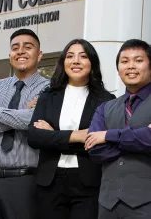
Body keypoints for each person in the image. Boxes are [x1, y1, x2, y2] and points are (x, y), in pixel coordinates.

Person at [27, 39, 115, 219]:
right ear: (63, 63)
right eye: (70, 56)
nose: (76, 61)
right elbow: (35, 137)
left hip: (88, 182)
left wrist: (53, 136)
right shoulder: (48, 96)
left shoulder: (106, 100)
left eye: (83, 56)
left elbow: (99, 144)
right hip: (49, 181)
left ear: (92, 63)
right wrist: (77, 136)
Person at [0, 28, 49, 219]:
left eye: (28, 47)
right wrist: (21, 116)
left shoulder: (49, 88)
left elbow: (32, 121)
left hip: (24, 182)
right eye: (15, 48)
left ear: (39, 55)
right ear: (10, 56)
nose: (21, 51)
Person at [85, 39, 151, 219]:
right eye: (124, 61)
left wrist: (108, 135)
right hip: (108, 205)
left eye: (138, 60)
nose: (131, 66)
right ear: (118, 68)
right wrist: (139, 141)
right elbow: (94, 150)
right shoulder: (105, 108)